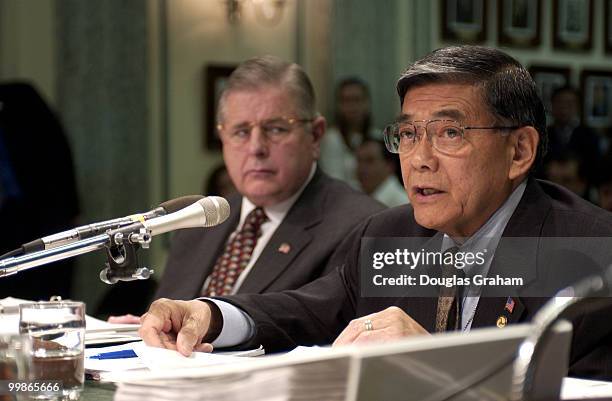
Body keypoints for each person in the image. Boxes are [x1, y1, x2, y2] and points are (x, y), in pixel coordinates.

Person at [139, 46, 612, 380]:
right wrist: (210, 314)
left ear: (520, 151)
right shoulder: (391, 234)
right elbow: (305, 310)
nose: (419, 158)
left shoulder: (589, 254)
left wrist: (434, 362)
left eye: (449, 134)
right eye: (408, 134)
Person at [0, 82, 80, 300]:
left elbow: (58, 161)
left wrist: (71, 211)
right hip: (14, 216)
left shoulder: (21, 101)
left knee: (46, 292)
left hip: (45, 216)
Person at [319, 77, 379, 188]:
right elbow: (334, 182)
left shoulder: (377, 137)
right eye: (346, 101)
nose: (352, 107)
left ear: (367, 103)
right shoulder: (331, 139)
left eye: (357, 100)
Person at [355, 139, 408, 207]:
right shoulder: (355, 194)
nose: (362, 168)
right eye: (359, 160)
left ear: (389, 165)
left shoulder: (402, 203)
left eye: (370, 161)